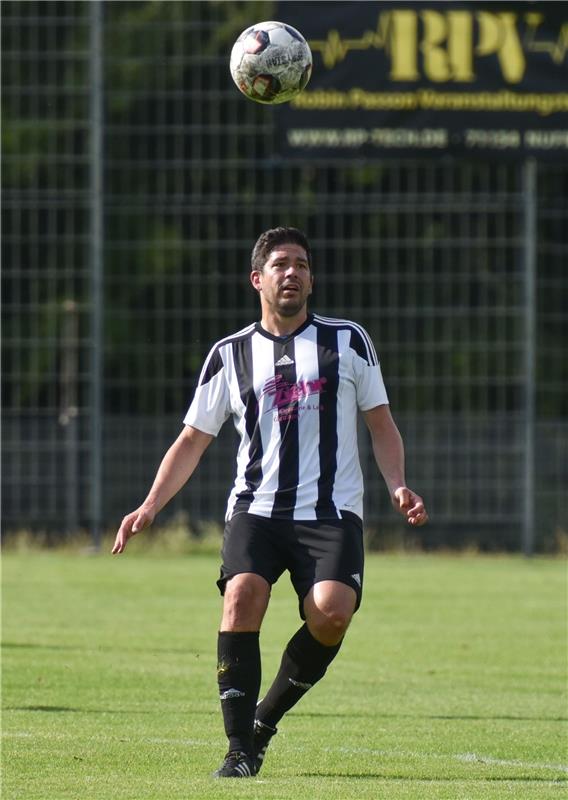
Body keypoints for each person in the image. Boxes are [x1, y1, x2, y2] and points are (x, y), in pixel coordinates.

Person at [112, 226, 428, 778]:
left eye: (302, 264)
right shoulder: (230, 354)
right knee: (242, 597)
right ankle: (238, 751)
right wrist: (150, 506)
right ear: (257, 279)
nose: (293, 272)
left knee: (331, 615)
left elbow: (381, 423)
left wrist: (398, 483)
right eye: (281, 264)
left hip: (331, 514)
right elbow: (192, 439)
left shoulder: (348, 341)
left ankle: (263, 722)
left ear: (311, 277)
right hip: (256, 511)